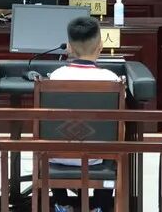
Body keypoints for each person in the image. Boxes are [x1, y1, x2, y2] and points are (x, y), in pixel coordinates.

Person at [47, 16, 120, 212]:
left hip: (55, 156)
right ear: (101, 46)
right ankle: (101, 205)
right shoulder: (111, 79)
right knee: (114, 142)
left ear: (69, 47)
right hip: (94, 157)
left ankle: (61, 203)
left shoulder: (55, 77)